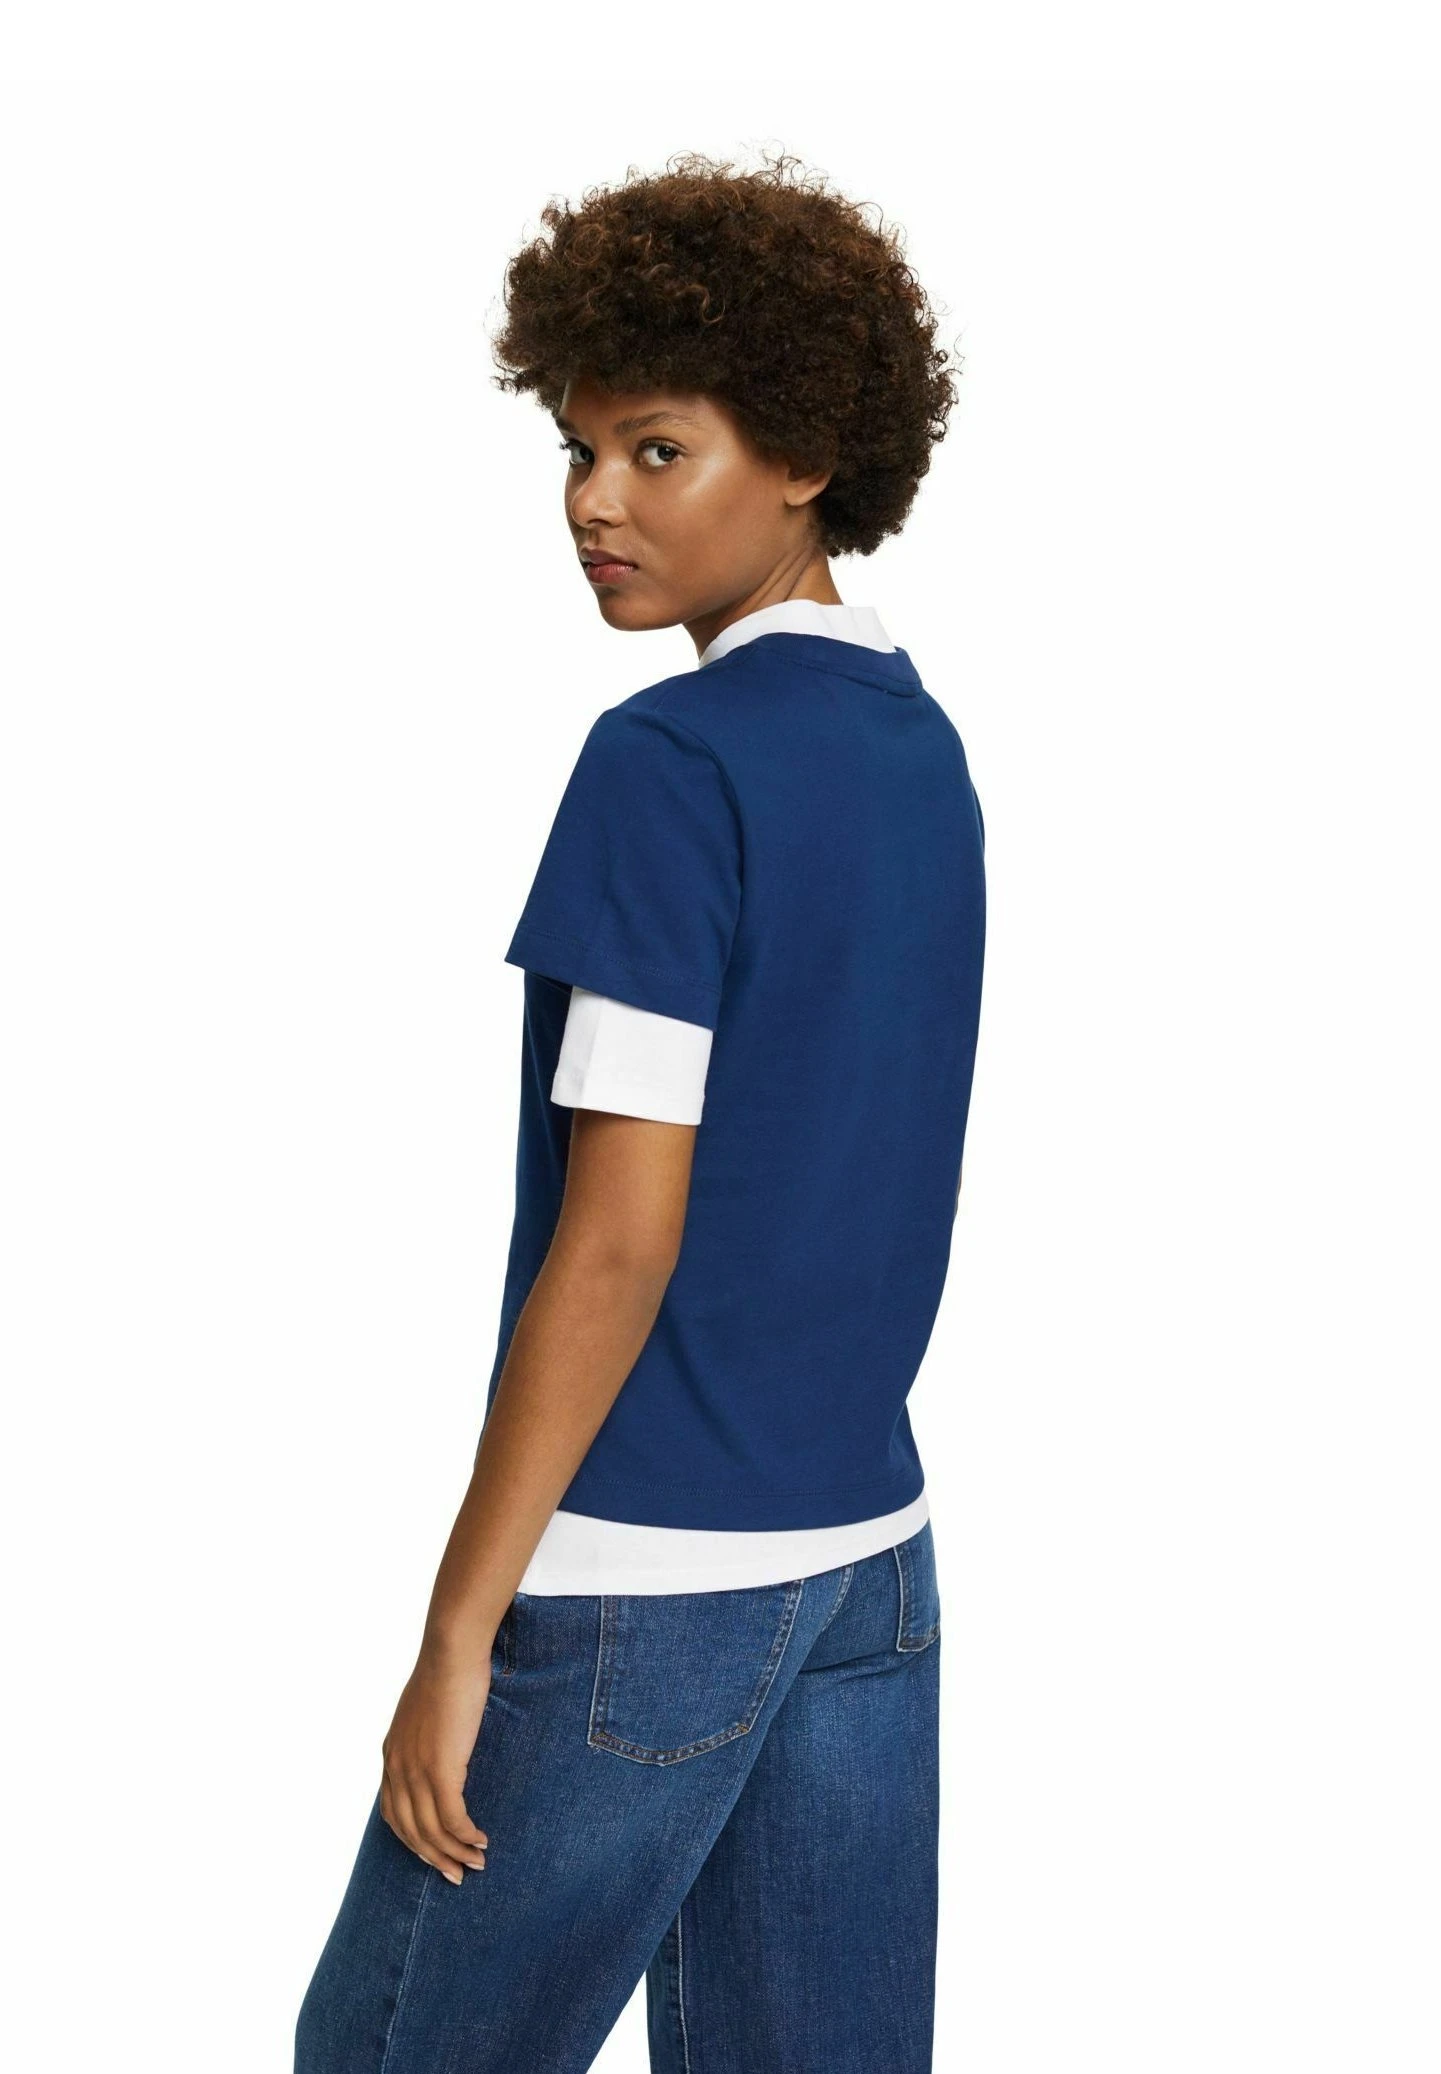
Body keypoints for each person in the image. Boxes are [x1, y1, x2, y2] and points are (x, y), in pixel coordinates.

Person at [294, 147, 986, 2074]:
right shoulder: (921, 750)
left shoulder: (667, 762)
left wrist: (460, 1624)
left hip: (639, 1584)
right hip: (864, 1558)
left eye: (657, 450)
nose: (594, 500)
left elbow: (620, 1237)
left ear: (809, 455)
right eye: (579, 449)